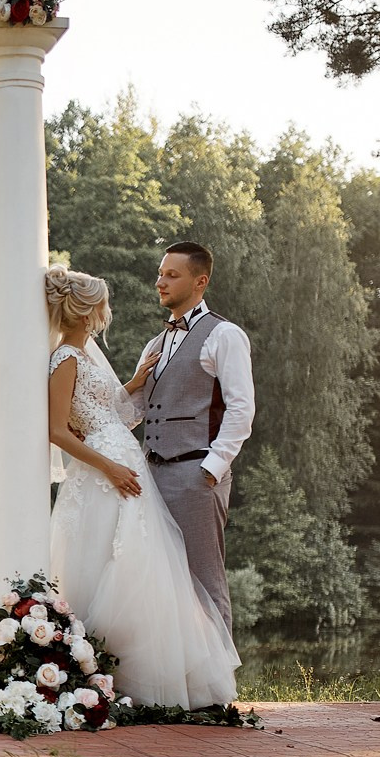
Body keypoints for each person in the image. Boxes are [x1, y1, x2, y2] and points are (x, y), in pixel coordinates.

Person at [43, 264, 238, 709]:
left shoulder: (84, 356)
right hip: (104, 473)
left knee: (143, 567)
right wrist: (109, 467)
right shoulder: (64, 359)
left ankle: (152, 684)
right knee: (105, 565)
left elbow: (113, 414)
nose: (106, 311)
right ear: (87, 309)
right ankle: (112, 681)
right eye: (102, 304)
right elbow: (57, 430)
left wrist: (134, 383)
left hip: (125, 467)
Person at [120, 241, 256, 631]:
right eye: (161, 273)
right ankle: (175, 682)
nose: (160, 282)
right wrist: (126, 389)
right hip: (151, 476)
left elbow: (241, 408)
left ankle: (217, 687)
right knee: (157, 579)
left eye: (171, 275)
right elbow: (137, 413)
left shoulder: (224, 335)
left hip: (196, 472)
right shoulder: (155, 344)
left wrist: (211, 469)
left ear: (200, 281)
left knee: (204, 578)